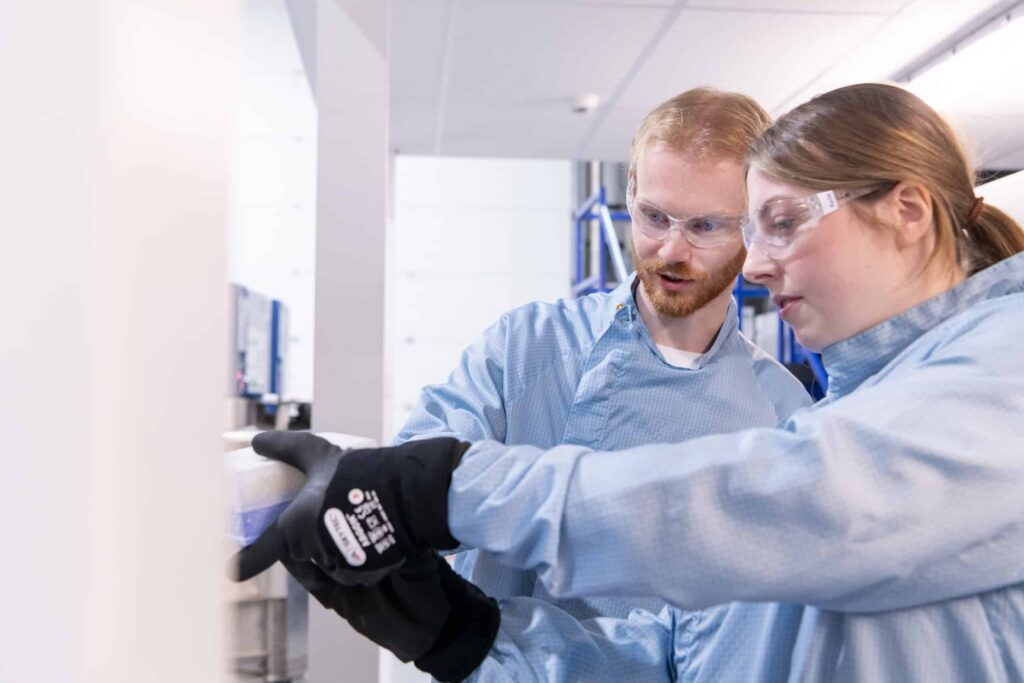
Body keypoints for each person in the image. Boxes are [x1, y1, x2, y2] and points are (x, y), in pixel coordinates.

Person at [235, 83, 1024, 682]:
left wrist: (445, 487)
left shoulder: (1000, 370)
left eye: (776, 223)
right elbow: (686, 657)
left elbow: (783, 503)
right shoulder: (856, 402)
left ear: (910, 211)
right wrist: (461, 630)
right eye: (654, 216)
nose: (757, 260)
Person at [391, 87, 810, 621]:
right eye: (654, 216)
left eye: (705, 226)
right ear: (631, 193)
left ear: (753, 224)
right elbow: (412, 490)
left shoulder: (780, 414)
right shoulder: (525, 347)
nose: (671, 251)